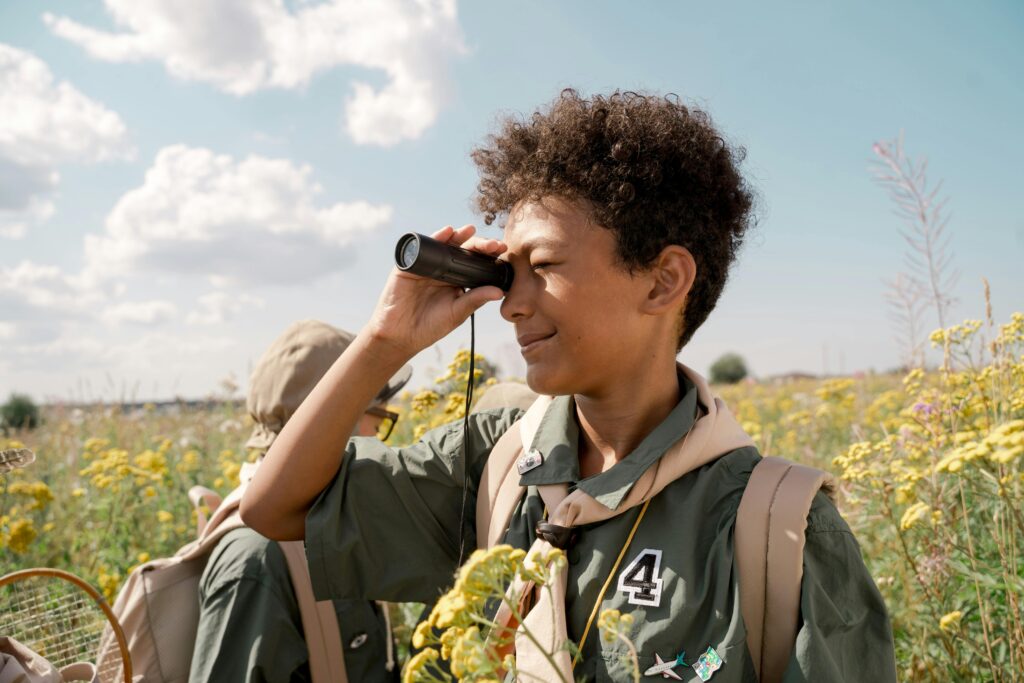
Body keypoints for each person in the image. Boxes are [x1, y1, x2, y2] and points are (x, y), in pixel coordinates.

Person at [242, 90, 897, 681]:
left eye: (545, 266)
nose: (510, 304)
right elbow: (276, 508)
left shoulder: (777, 529)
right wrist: (384, 340)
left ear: (663, 280)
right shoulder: (495, 462)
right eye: (507, 271)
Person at [190, 319, 410, 683]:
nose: (381, 438)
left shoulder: (322, 525)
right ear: (333, 423)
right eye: (379, 418)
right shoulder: (257, 558)